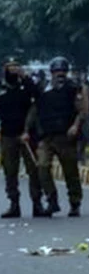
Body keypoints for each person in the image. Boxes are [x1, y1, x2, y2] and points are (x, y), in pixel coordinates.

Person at [26, 56, 86, 217]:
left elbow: (81, 111)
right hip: (46, 136)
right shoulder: (42, 89)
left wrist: (75, 126)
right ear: (51, 73)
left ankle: (75, 202)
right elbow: (34, 110)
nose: (59, 74)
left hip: (65, 136)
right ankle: (52, 200)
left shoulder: (73, 88)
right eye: (56, 71)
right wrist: (26, 129)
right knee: (42, 166)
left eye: (63, 71)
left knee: (70, 171)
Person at [0, 57, 47, 218]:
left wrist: (25, 77)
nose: (12, 70)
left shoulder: (26, 87)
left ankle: (37, 203)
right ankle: (14, 204)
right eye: (9, 67)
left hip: (27, 135)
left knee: (33, 170)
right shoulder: (2, 89)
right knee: (10, 171)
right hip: (8, 135)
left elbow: (39, 96)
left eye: (15, 67)